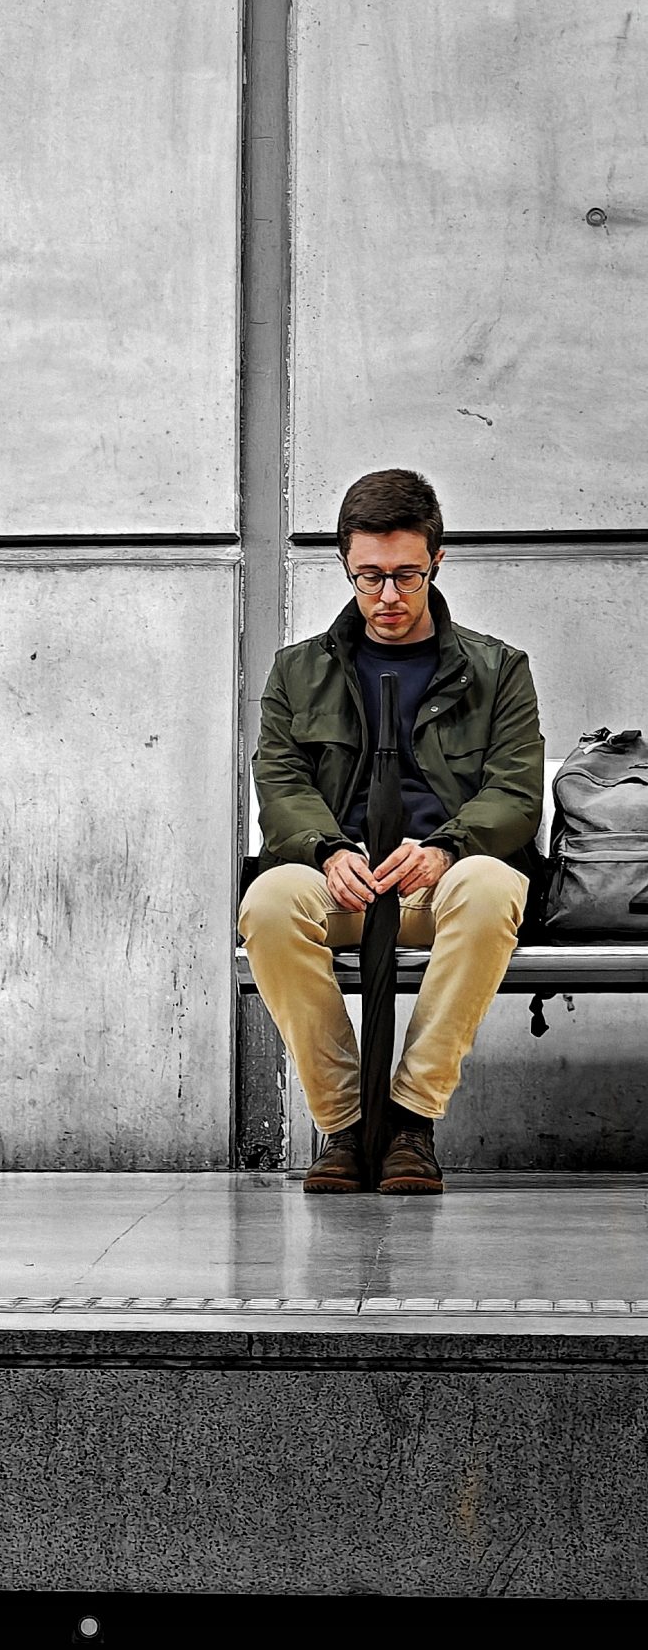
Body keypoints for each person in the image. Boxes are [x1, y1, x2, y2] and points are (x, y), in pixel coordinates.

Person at [239, 467, 543, 1193]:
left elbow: (515, 793)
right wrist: (324, 848)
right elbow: (279, 787)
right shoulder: (296, 672)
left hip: (439, 887)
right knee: (271, 902)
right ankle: (343, 1127)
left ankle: (409, 1121)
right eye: (366, 578)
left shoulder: (496, 669)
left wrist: (446, 847)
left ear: (437, 561)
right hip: (337, 882)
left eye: (405, 577)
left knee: (491, 881)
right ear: (344, 567)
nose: (385, 599)